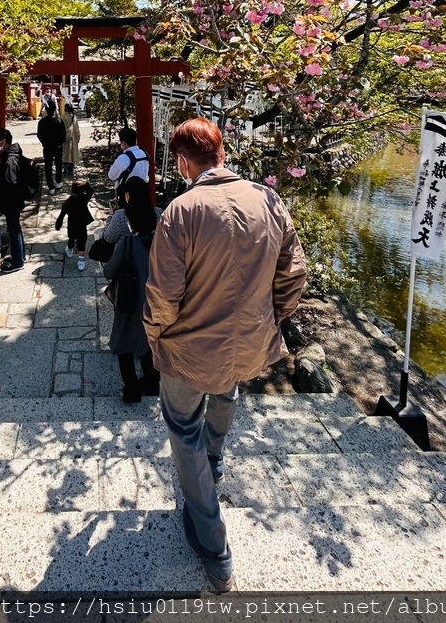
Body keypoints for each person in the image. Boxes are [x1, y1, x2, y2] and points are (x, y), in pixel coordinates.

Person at [143, 117, 307, 593]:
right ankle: (213, 462)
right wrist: (271, 318)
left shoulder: (180, 211)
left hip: (189, 350)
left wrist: (153, 333)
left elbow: (163, 298)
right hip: (248, 342)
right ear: (223, 152)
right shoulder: (269, 200)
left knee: (182, 429)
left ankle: (215, 549)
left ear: (182, 161)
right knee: (227, 388)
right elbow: (293, 273)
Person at [102, 175, 161, 403]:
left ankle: (131, 389)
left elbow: (109, 271)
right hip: (156, 293)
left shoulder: (126, 237)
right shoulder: (160, 214)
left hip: (129, 296)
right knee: (149, 340)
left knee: (124, 341)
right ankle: (152, 382)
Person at [0, 127, 26, 273]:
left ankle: (17, 261)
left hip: (11, 201)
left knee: (14, 230)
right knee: (16, 229)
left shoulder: (9, 160)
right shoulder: (14, 153)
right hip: (15, 199)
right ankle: (20, 255)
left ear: (3, 141)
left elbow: (10, 182)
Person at [55, 178, 94, 271]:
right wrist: (86, 184)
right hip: (82, 224)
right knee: (81, 241)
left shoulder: (67, 202)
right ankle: (81, 261)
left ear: (71, 190)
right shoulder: (84, 198)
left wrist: (58, 225)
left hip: (72, 223)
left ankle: (69, 250)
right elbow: (91, 191)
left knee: (71, 238)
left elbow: (61, 215)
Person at [107, 126, 150, 206]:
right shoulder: (145, 153)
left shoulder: (123, 158)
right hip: (144, 192)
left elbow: (111, 176)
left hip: (127, 195)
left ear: (124, 143)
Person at [37, 97, 67, 192]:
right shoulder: (59, 121)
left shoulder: (41, 122)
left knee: (48, 166)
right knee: (58, 164)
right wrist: (61, 142)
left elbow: (39, 135)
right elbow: (63, 134)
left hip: (47, 147)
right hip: (58, 146)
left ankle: (51, 186)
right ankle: (58, 182)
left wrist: (44, 142)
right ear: (54, 109)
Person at [61, 104, 80, 176]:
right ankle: (71, 170)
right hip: (73, 138)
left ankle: (65, 168)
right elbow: (77, 130)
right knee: (72, 154)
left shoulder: (62, 117)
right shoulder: (74, 117)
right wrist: (77, 138)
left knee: (65, 154)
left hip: (65, 138)